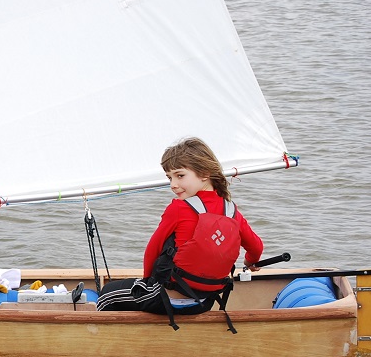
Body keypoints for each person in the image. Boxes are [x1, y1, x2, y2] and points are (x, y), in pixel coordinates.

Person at [96, 137, 263, 331]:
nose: (173, 184)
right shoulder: (232, 211)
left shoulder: (179, 208)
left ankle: (104, 345)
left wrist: (147, 283)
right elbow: (256, 247)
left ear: (205, 173)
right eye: (170, 178)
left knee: (107, 295)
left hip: (167, 299)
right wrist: (251, 262)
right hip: (204, 302)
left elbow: (153, 249)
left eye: (180, 175)